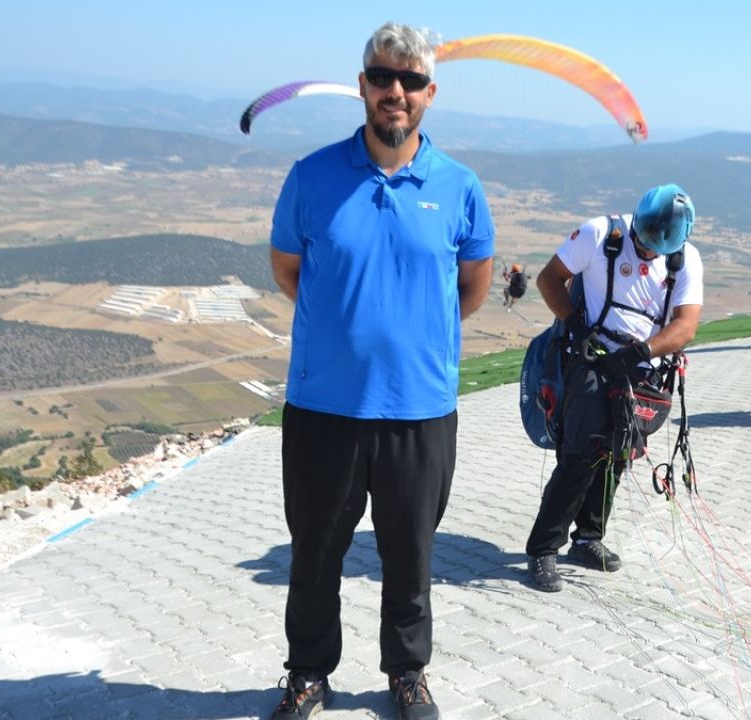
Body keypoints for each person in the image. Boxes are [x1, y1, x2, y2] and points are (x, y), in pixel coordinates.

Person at [267, 22, 493, 720]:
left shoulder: (459, 187)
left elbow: (473, 286)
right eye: (383, 77)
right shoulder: (312, 177)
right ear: (362, 85)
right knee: (313, 557)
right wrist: (345, 329)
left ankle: (407, 674)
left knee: (410, 559)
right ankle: (307, 673)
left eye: (411, 80)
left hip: (420, 410)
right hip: (324, 407)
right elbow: (288, 270)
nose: (396, 91)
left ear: (430, 93)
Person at [525, 184, 703, 593]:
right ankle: (543, 548)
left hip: (641, 370)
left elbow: (685, 326)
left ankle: (588, 537)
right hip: (589, 358)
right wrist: (575, 325)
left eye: (655, 249)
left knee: (618, 455)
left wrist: (642, 351)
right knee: (580, 454)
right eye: (642, 242)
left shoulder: (685, 259)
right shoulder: (599, 235)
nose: (646, 252)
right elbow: (550, 280)